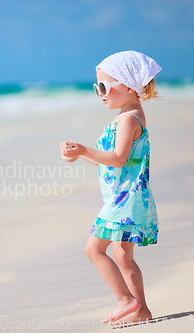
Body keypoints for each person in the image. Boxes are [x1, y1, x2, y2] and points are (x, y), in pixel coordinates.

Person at [60, 51, 161, 324]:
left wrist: (83, 151)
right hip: (125, 195)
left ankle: (126, 300)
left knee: (94, 250)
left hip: (125, 199)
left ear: (129, 86)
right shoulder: (126, 115)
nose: (100, 93)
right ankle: (142, 311)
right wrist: (81, 155)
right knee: (121, 255)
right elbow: (116, 163)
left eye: (105, 86)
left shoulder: (128, 119)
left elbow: (117, 159)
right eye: (97, 88)